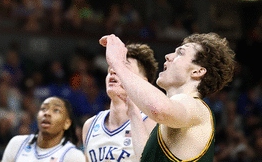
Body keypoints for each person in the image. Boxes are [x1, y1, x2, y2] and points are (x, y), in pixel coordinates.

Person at [100, 33, 236, 162]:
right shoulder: (172, 120)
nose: (168, 56)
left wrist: (118, 63)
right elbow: (146, 157)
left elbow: (159, 109)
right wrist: (133, 110)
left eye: (180, 53)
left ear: (198, 71)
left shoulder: (196, 107)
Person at [82, 43, 159, 162]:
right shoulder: (90, 125)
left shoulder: (152, 124)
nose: (113, 71)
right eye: (111, 67)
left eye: (124, 68)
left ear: (142, 82)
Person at [0, 97, 85, 162]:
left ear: (66, 123)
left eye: (56, 110)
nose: (47, 113)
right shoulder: (17, 143)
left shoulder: (73, 156)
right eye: (44, 109)